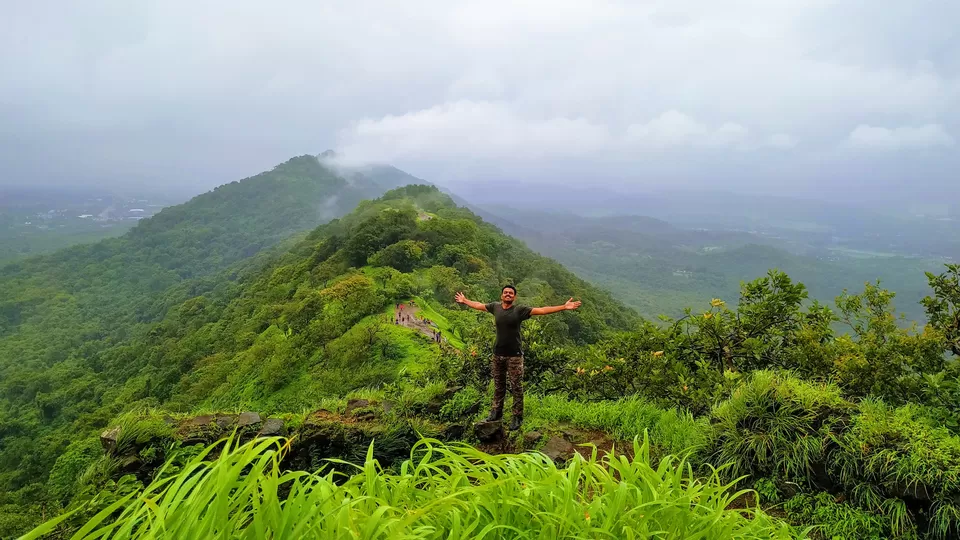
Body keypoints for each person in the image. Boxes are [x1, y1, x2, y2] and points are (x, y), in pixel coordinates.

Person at [455, 285, 582, 430]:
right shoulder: (495, 307)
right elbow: (479, 305)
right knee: (499, 386)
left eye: (511, 293)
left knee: (516, 387)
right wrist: (465, 300)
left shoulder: (519, 310)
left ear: (514, 297)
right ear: (501, 295)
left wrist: (563, 307)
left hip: (514, 356)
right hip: (498, 354)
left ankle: (517, 417)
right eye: (505, 292)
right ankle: (496, 413)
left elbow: (542, 310)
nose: (508, 294)